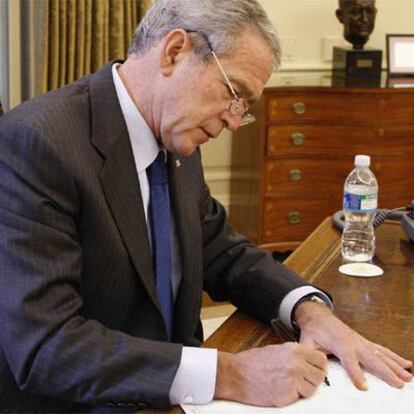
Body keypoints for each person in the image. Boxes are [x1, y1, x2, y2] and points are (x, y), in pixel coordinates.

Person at [0, 0, 412, 412]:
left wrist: (308, 310)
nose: (236, 121)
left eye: (245, 106)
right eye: (234, 94)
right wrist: (229, 373)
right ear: (174, 52)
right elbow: (46, 345)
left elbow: (222, 249)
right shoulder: (38, 144)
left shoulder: (175, 133)